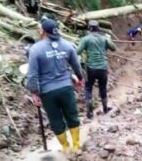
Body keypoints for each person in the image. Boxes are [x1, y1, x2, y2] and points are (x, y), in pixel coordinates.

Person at [27, 17, 84, 152]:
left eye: (40, 28)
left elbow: (33, 74)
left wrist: (34, 92)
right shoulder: (67, 45)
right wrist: (80, 78)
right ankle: (76, 146)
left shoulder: (35, 49)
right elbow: (76, 66)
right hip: (66, 88)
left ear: (44, 32)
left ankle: (66, 147)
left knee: (55, 120)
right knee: (72, 116)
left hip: (47, 92)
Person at [76, 20, 116, 119]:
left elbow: (77, 51)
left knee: (88, 88)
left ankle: (89, 112)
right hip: (103, 68)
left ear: (89, 29)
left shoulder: (86, 39)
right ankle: (105, 109)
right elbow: (113, 48)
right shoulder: (104, 38)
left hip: (91, 68)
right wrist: (108, 39)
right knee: (103, 88)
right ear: (98, 29)